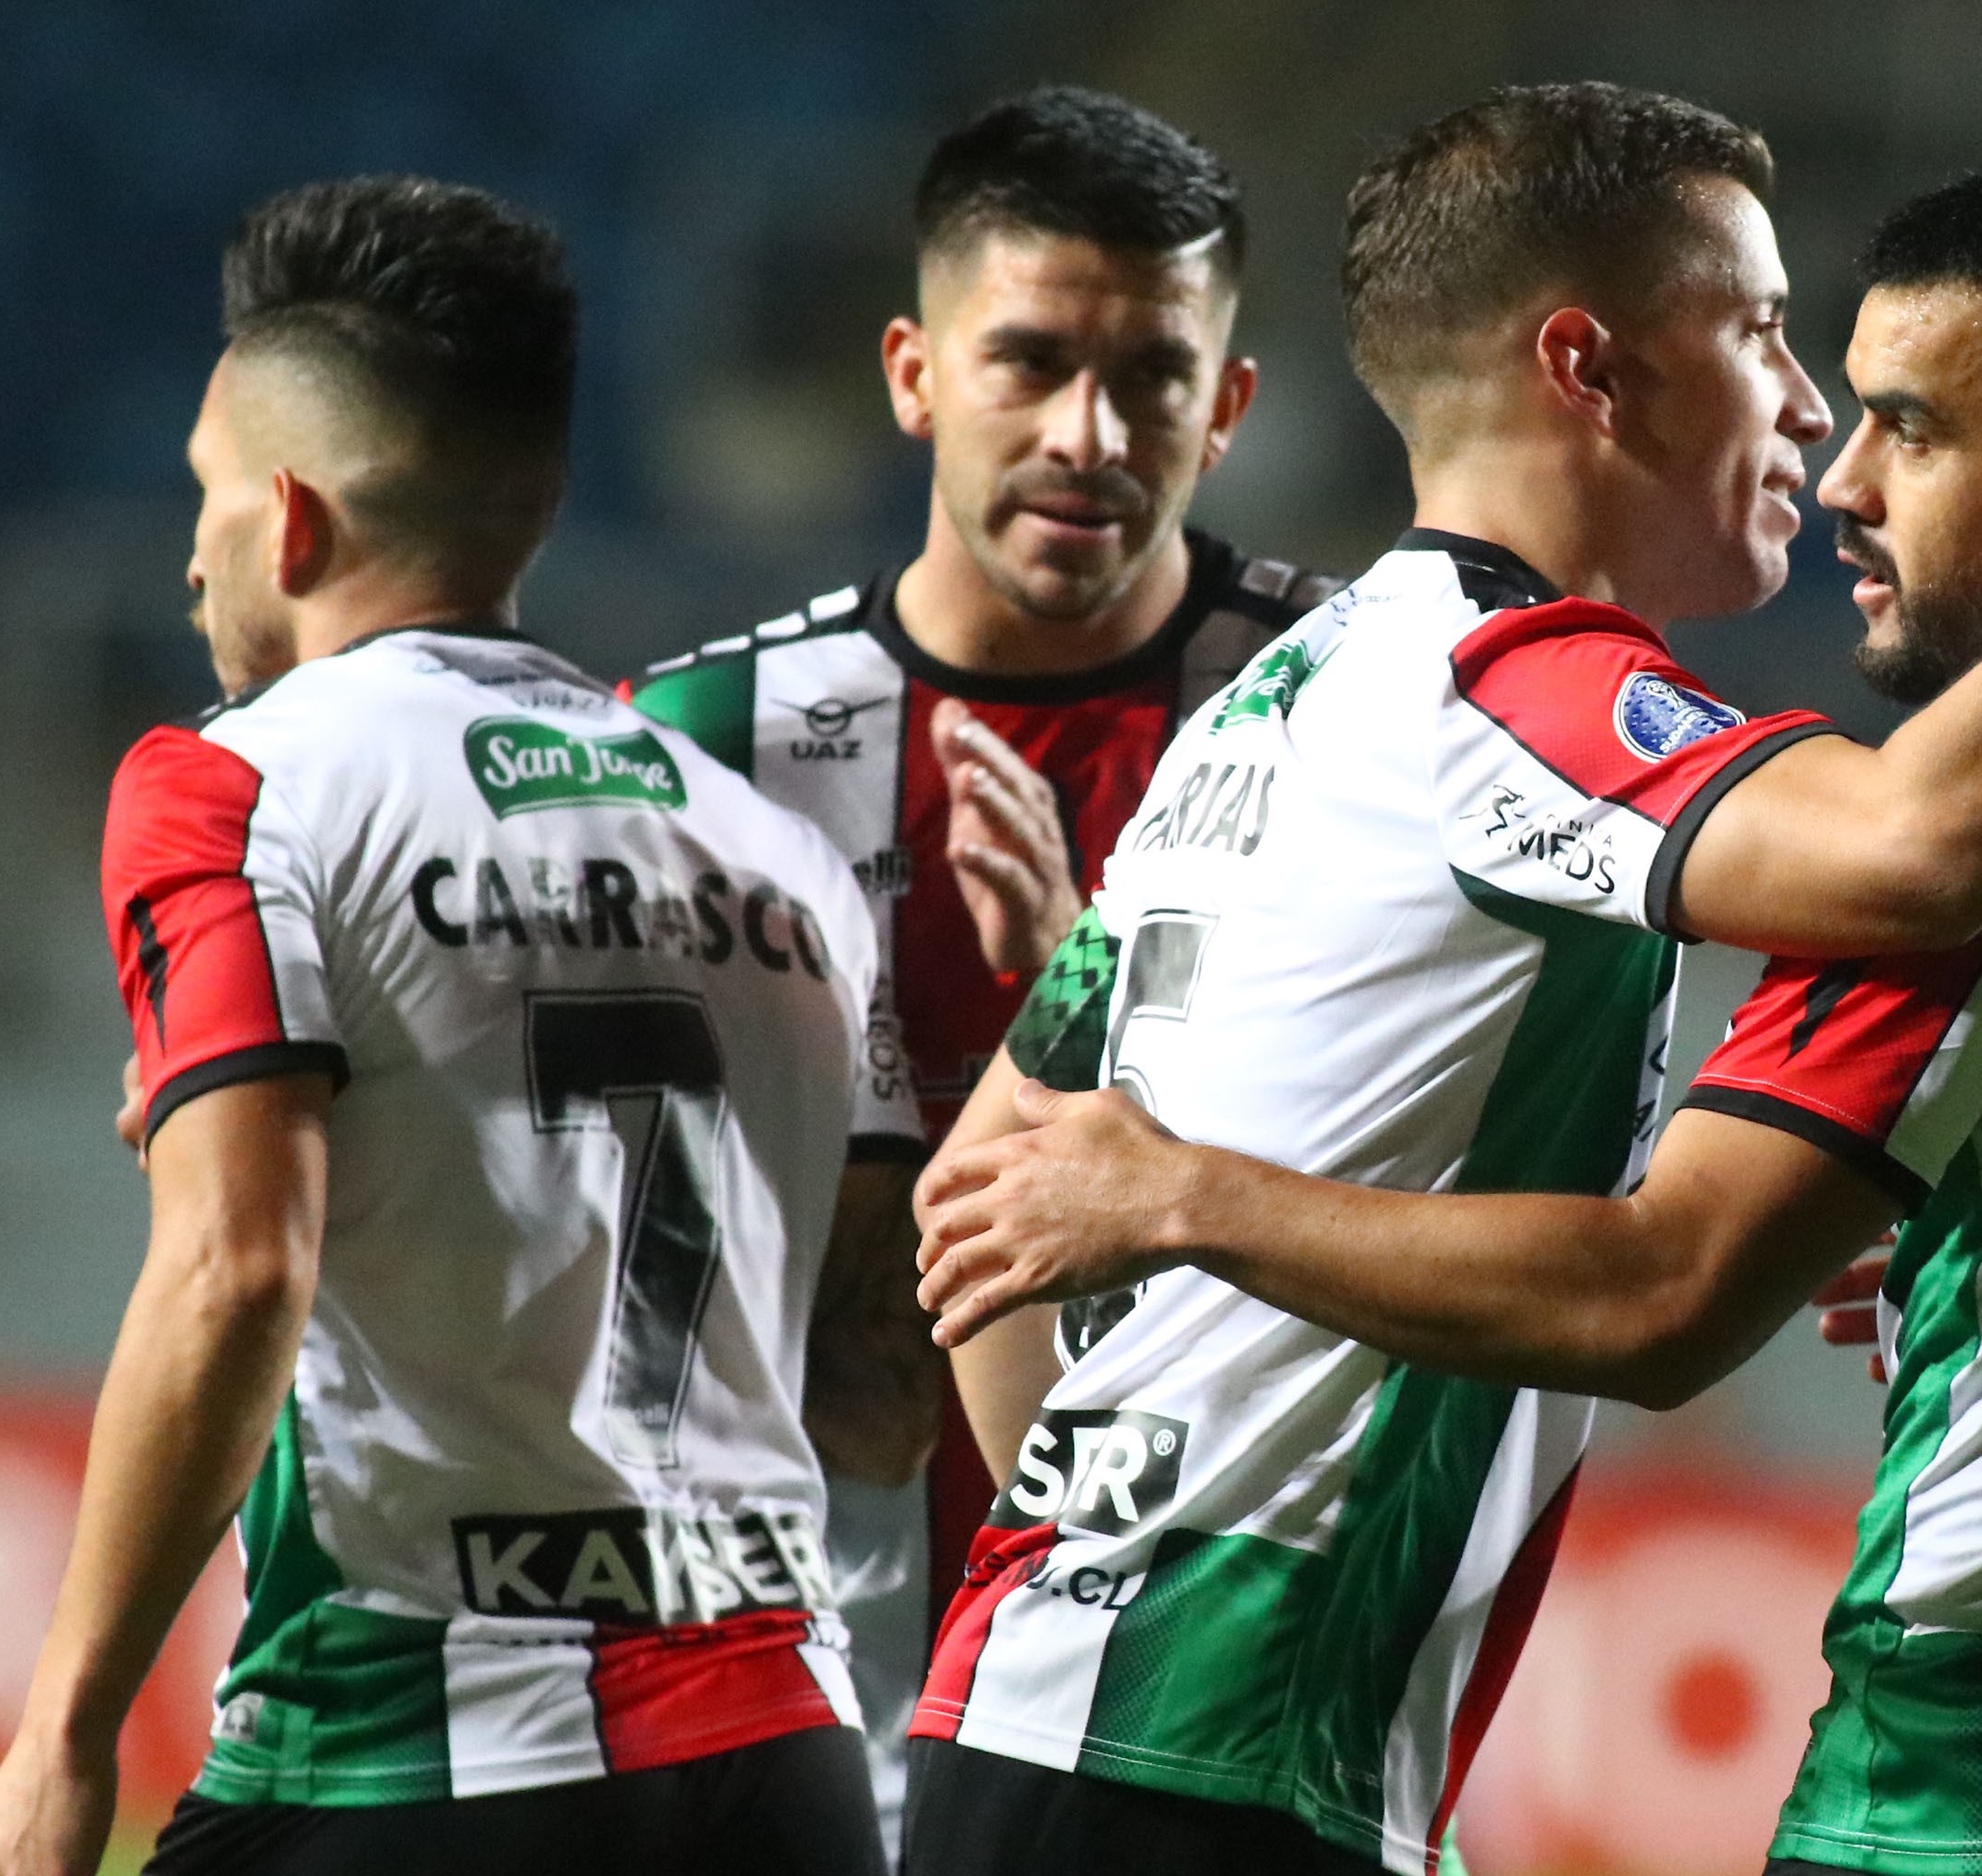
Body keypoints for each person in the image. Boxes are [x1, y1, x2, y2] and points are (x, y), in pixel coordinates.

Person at [915, 154, 1982, 1875]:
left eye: (1911, 425)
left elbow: (1668, 1282)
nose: (1843, 467)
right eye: (1792, 357)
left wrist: (1130, 1364)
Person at [0, 176, 928, 1876]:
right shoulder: (776, 849)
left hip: (417, 1751)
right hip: (782, 1762)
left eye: (206, 502)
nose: (190, 557)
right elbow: (876, 1387)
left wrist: (62, 1732)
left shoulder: (233, 788)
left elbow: (235, 1270)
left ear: (295, 520)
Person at [623, 86, 1334, 1861]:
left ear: (1230, 403)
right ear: (912, 373)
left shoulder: (1354, 705)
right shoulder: (708, 748)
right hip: (805, 1686)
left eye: (1156, 377)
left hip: (1218, 1682)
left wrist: (1102, 993)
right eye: (1026, 361)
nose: (1091, 432)